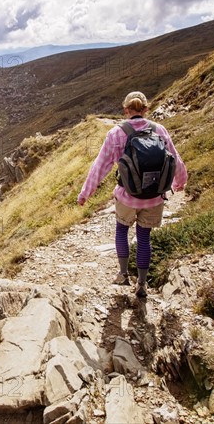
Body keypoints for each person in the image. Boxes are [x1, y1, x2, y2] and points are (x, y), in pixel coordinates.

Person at [77, 91, 187, 298]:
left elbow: (100, 166)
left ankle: (123, 274)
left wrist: (85, 194)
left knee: (121, 230)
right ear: (146, 109)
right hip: (154, 197)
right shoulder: (159, 129)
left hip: (127, 196)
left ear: (126, 110)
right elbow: (175, 159)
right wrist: (180, 182)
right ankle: (142, 284)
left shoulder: (116, 134)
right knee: (144, 237)